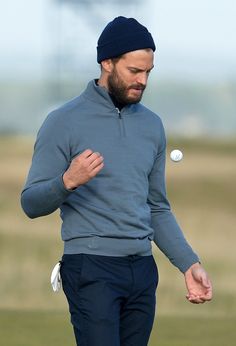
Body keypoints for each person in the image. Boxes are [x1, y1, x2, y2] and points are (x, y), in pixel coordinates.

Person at [21, 16, 212, 346]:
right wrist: (67, 181)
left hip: (142, 271)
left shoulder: (152, 126)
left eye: (148, 72)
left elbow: (157, 208)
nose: (143, 81)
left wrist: (188, 263)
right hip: (91, 269)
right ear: (106, 62)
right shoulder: (63, 121)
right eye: (134, 71)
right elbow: (30, 203)